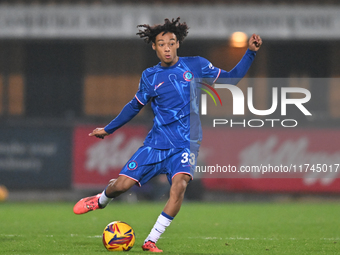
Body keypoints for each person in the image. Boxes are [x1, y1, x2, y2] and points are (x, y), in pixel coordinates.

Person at [73, 17, 262, 253]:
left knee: (179, 185)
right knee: (121, 185)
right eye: (161, 44)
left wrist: (250, 53)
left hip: (186, 143)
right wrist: (108, 129)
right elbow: (134, 106)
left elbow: (231, 79)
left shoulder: (196, 65)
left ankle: (151, 240)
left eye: (171, 43)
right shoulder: (150, 76)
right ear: (154, 47)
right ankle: (100, 200)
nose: (167, 48)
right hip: (157, 143)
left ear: (178, 44)